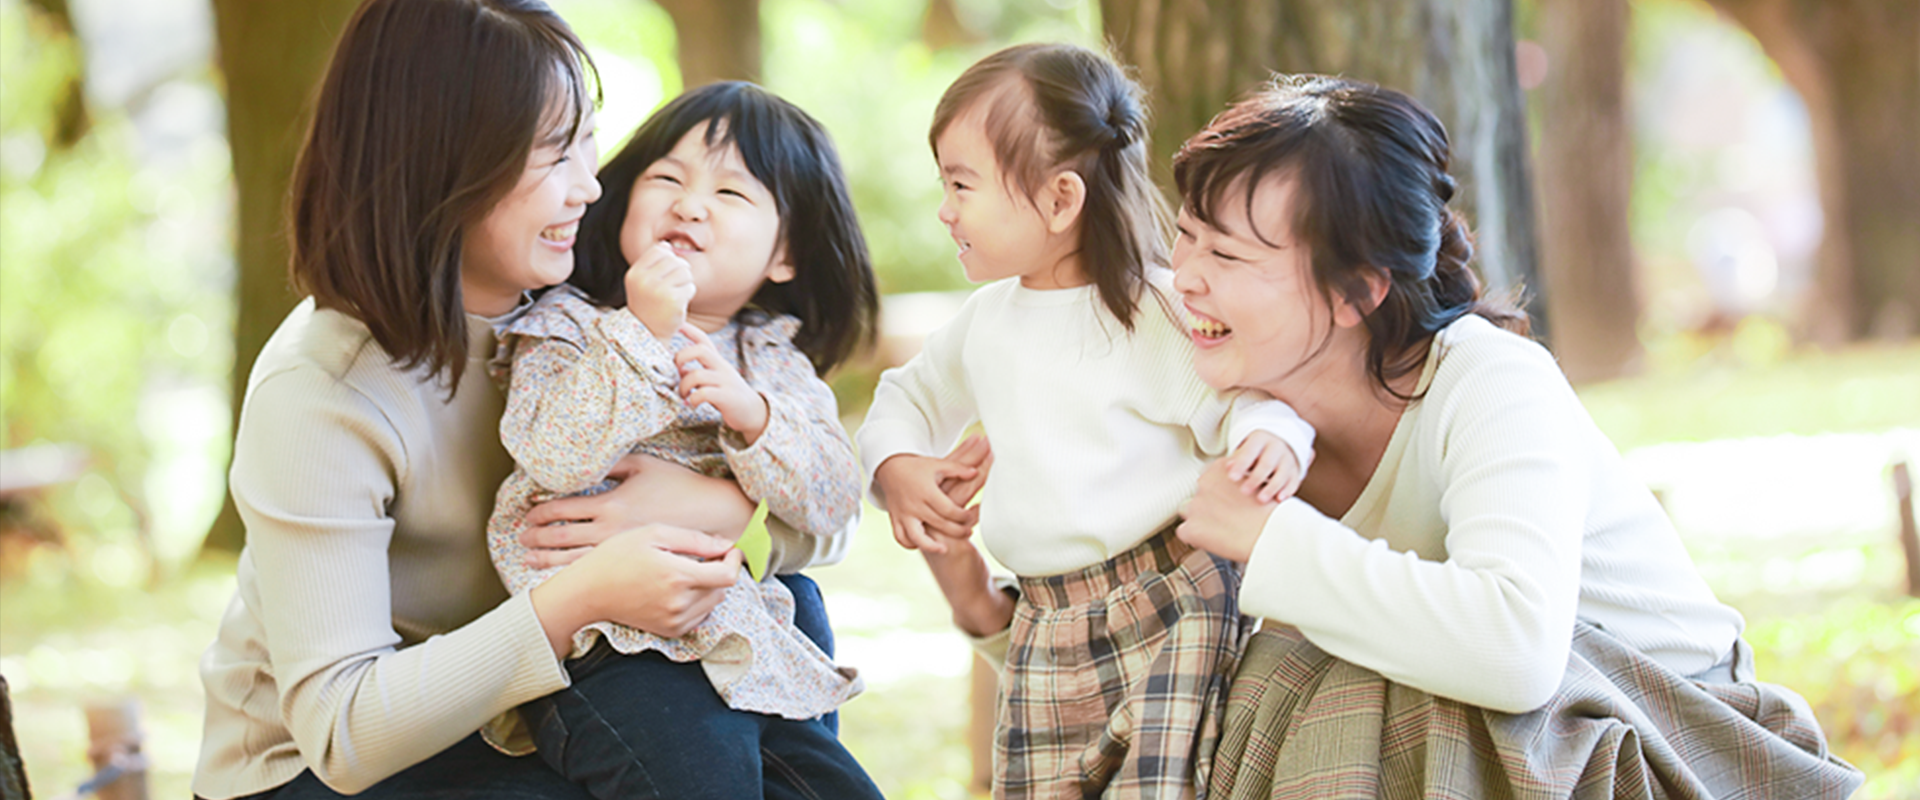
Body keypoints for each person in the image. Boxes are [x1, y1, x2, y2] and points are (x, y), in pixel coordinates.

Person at [1163, 75, 1864, 798]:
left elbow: (1514, 652)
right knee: (1310, 674)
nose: (1184, 277)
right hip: (1496, 754)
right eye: (1184, 237)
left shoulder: (1489, 379)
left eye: (1228, 256)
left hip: (1668, 744)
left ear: (1359, 290)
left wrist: (1273, 540)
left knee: (1386, 687)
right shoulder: (1226, 401)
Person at [192, 2, 773, 797]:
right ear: (440, 163)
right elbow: (342, 728)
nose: (590, 186)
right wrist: (584, 597)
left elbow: (820, 515)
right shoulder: (322, 389)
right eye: (551, 153)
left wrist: (724, 508)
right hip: (320, 770)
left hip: (524, 722)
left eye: (587, 140)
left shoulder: (589, 308)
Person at [858, 43, 1317, 799]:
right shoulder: (985, 323)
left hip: (1171, 602)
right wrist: (898, 467)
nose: (945, 209)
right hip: (1044, 621)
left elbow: (1245, 397)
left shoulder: (1155, 310)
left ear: (1061, 199)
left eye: (961, 184)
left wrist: (1275, 436)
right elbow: (903, 401)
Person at [490, 80, 884, 799]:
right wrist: (641, 331)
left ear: (786, 253)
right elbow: (550, 455)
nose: (691, 204)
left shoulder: (773, 361)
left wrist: (755, 416)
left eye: (731, 195)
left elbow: (831, 502)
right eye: (666, 178)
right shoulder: (567, 327)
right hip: (610, 648)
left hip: (752, 647)